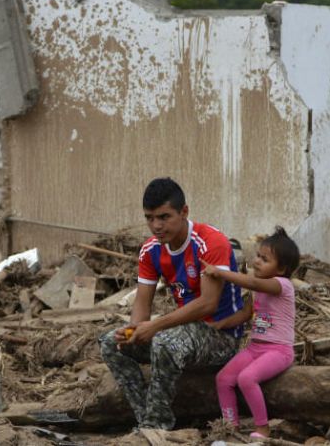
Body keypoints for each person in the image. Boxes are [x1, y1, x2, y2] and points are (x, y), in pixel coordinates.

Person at [99, 177, 245, 430]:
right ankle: (144, 417)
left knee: (164, 343)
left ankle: (158, 425)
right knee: (112, 343)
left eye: (164, 217)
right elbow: (142, 303)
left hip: (220, 336)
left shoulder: (211, 242)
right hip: (183, 332)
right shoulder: (150, 250)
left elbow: (208, 304)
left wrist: (154, 327)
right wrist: (134, 330)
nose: (156, 225)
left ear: (184, 212)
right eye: (149, 218)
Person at [201, 226, 300, 439]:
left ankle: (263, 427)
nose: (256, 261)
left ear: (281, 269)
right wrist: (219, 325)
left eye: (264, 259)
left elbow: (253, 282)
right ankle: (230, 425)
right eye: (257, 256)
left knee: (246, 378)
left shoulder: (282, 285)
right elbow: (246, 313)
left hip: (279, 351)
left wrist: (221, 272)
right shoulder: (259, 289)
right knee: (223, 379)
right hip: (256, 348)